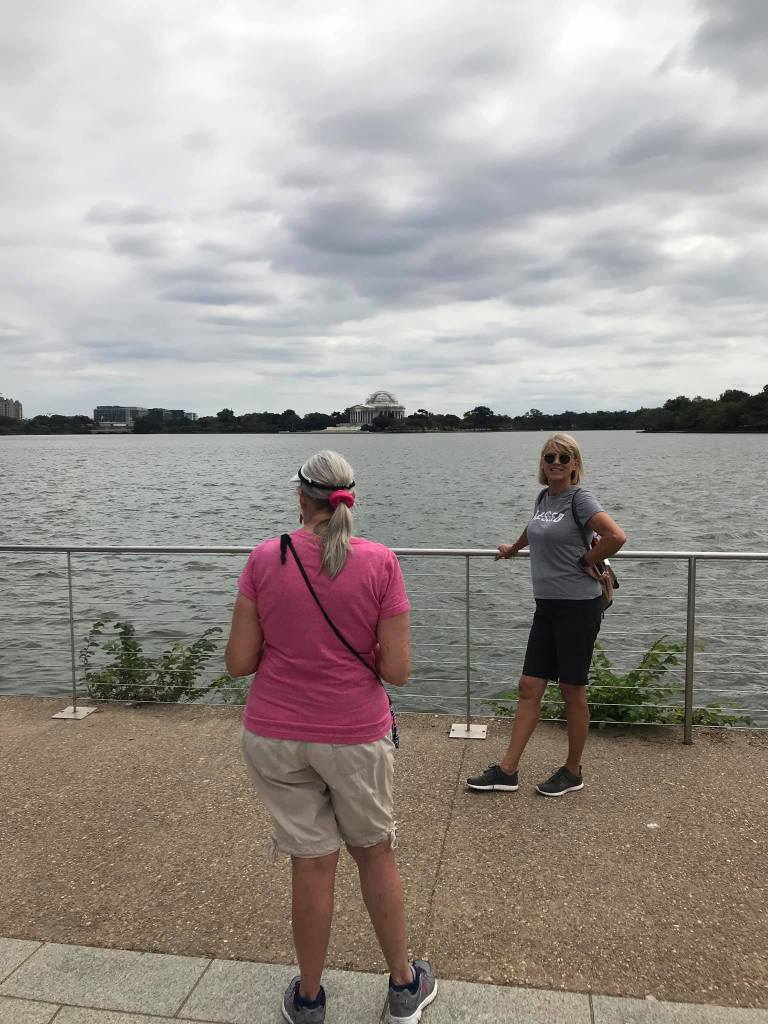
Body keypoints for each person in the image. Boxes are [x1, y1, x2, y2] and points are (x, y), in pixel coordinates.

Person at [225, 450, 437, 1024]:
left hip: (275, 734)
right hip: (354, 734)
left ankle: (310, 999)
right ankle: (403, 987)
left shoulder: (265, 558)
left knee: (312, 863)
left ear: (301, 497)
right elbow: (397, 671)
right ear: (351, 498)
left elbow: (238, 662)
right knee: (374, 853)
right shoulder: (381, 562)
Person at [466, 433, 626, 797]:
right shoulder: (544, 497)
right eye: (550, 457)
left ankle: (572, 771)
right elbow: (535, 526)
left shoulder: (580, 499)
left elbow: (616, 536)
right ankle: (507, 771)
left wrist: (587, 559)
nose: (555, 462)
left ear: (574, 464)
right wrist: (514, 547)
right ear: (542, 462)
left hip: (578, 607)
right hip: (547, 605)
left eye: (563, 457)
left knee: (572, 689)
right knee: (529, 687)